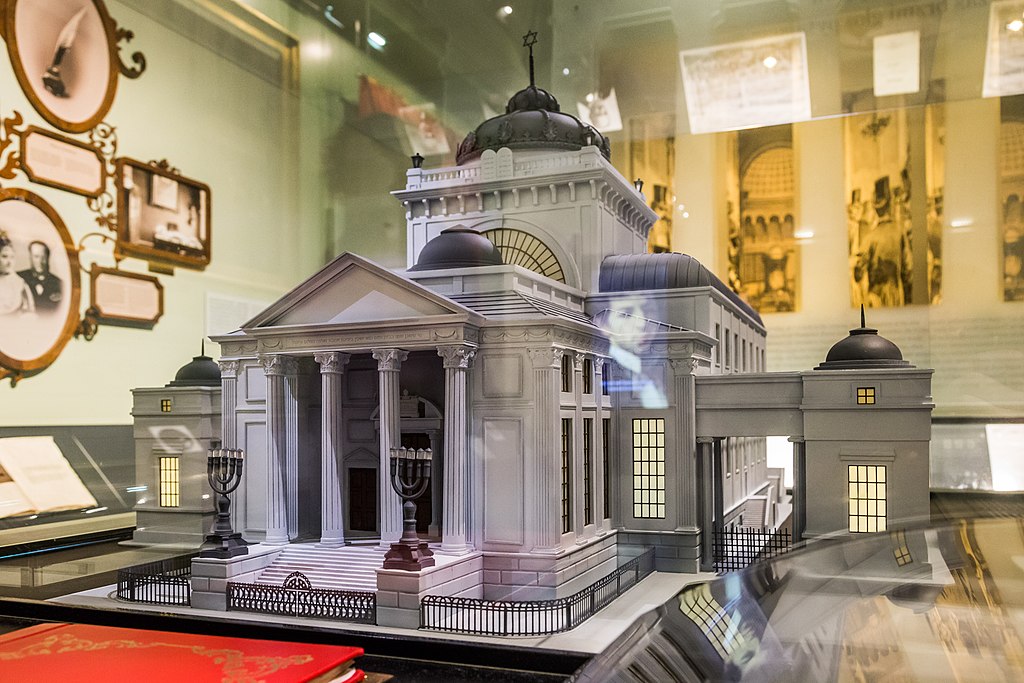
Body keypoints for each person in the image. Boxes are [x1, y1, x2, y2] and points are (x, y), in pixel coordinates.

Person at [18, 241, 63, 311]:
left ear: (48, 258)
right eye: (36, 257)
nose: (40, 261)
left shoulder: (60, 284)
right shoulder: (17, 278)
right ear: (30, 257)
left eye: (43, 257)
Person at [0, 232, 33, 315]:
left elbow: (31, 314)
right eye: (4, 256)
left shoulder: (21, 284)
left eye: (12, 257)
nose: (9, 262)